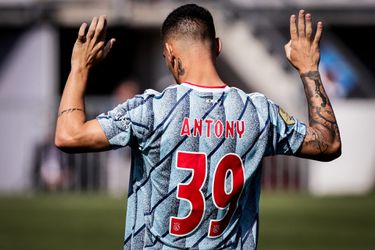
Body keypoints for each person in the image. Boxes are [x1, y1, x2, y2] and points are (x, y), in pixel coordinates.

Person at [55, 4, 341, 249]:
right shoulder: (258, 112)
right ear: (218, 46)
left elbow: (69, 135)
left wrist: (79, 68)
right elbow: (328, 143)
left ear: (170, 53)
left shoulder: (151, 109)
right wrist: (308, 69)